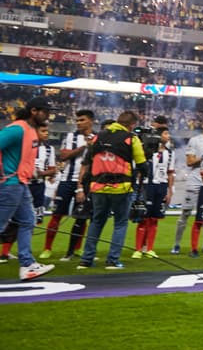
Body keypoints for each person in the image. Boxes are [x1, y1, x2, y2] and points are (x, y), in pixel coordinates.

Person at [77, 111, 147, 270]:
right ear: (132, 125)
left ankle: (86, 260)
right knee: (120, 223)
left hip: (98, 186)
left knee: (97, 221)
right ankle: (113, 260)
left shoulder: (97, 137)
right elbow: (142, 164)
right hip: (121, 188)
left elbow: (88, 160)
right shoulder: (131, 138)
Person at [0, 96, 55, 280]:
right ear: (34, 111)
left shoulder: (30, 130)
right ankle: (27, 263)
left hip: (21, 184)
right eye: (45, 112)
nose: (47, 116)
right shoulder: (18, 129)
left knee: (28, 221)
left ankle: (28, 264)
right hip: (10, 184)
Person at [41, 108, 95, 261]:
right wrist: (84, 146)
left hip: (85, 183)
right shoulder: (71, 136)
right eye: (77, 120)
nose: (78, 123)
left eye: (82, 120)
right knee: (57, 215)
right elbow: (64, 156)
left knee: (82, 217)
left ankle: (76, 248)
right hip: (66, 180)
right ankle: (47, 248)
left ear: (91, 121)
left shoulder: (98, 137)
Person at [171, 114, 203, 255]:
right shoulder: (195, 141)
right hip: (195, 181)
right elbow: (189, 162)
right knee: (185, 213)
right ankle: (176, 244)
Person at [132, 125, 174, 258]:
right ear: (159, 136)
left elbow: (170, 173)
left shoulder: (170, 153)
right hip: (147, 186)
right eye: (166, 133)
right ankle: (138, 249)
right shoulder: (147, 151)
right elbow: (138, 169)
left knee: (155, 219)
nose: (168, 137)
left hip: (161, 186)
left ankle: (150, 248)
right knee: (143, 218)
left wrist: (169, 191)